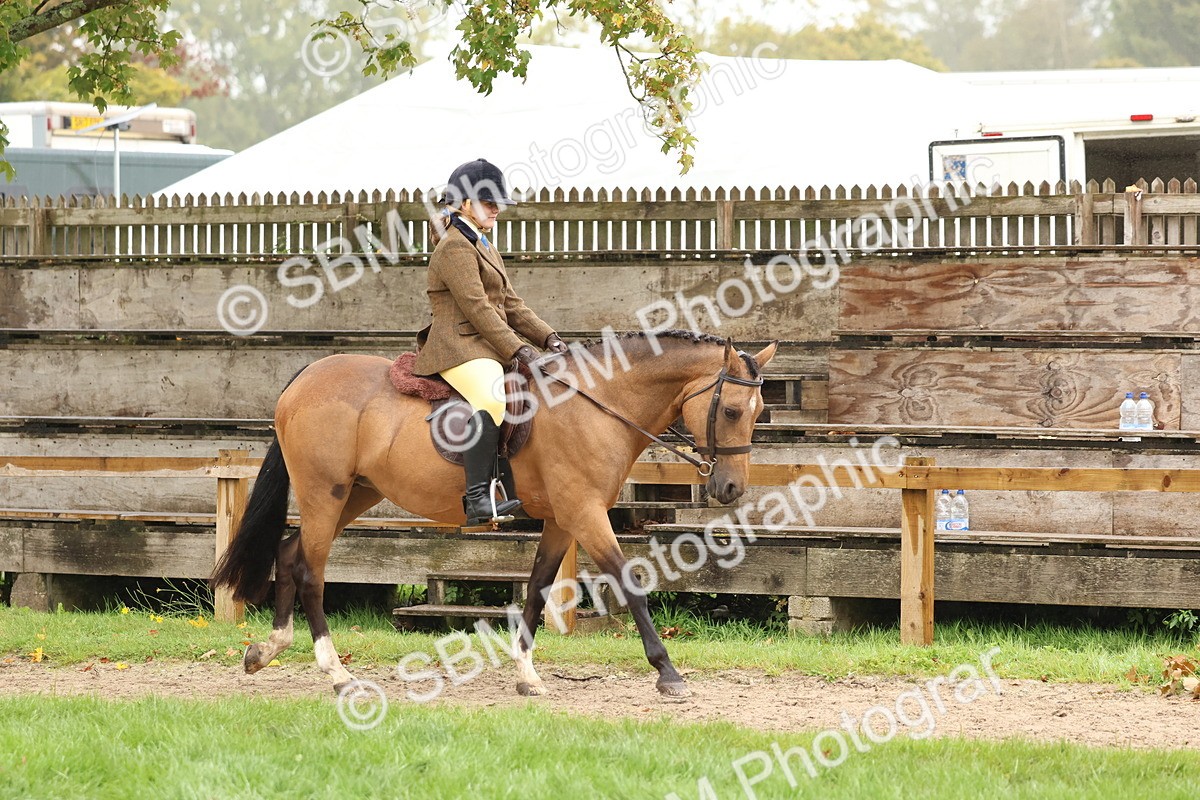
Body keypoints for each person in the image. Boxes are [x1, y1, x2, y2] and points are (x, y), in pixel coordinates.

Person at [413, 158, 568, 526]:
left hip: (483, 344)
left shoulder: (481, 243)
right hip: (457, 347)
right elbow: (479, 309)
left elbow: (511, 304)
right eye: (488, 202)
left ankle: (507, 483)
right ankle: (479, 498)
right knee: (492, 396)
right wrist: (519, 349)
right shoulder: (454, 247)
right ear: (465, 203)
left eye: (498, 202)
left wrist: (550, 338)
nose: (497, 209)